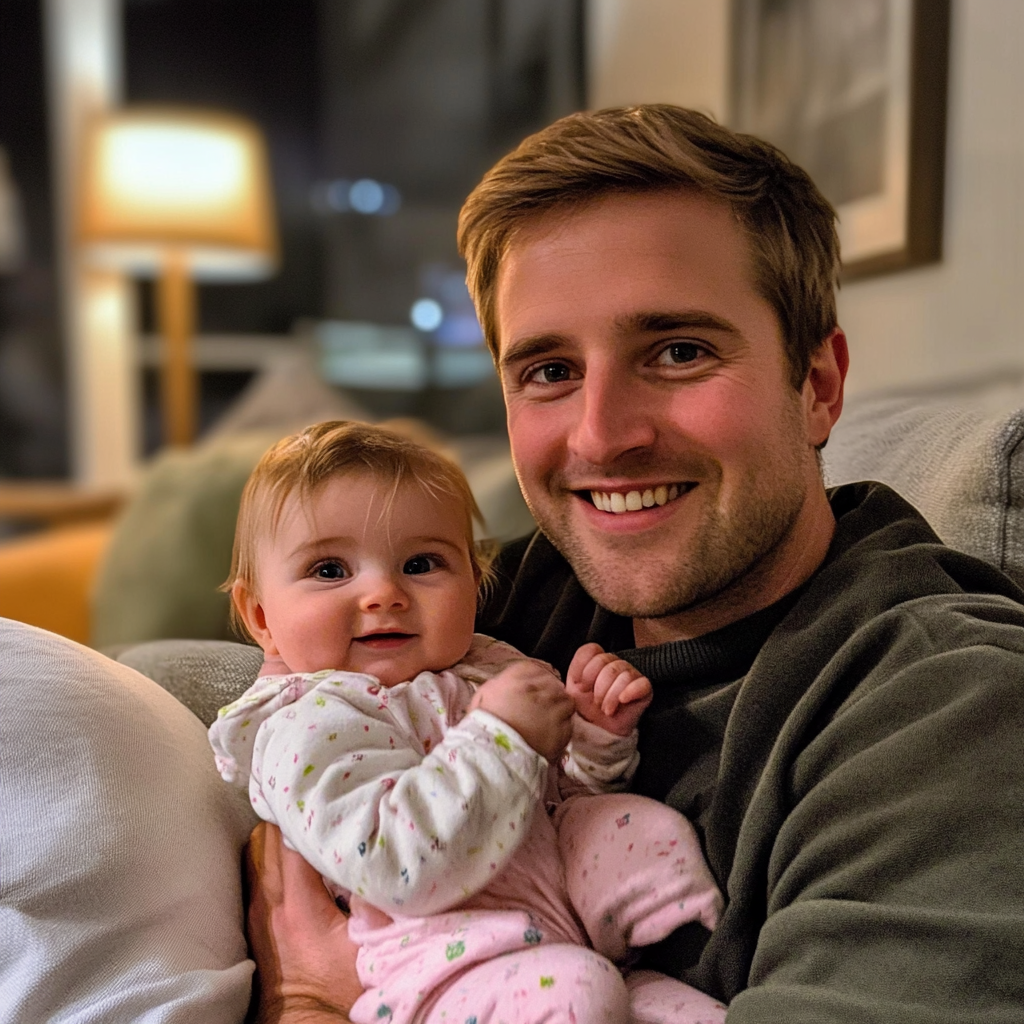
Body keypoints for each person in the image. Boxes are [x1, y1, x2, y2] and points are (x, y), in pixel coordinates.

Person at [246, 105, 1024, 1024]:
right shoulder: (512, 597)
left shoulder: (945, 711)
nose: (602, 436)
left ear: (816, 387)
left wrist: (316, 1002)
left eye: (679, 351)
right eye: (548, 371)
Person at [210, 419, 729, 1024]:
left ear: (475, 583)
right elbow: (394, 863)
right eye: (330, 570)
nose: (384, 592)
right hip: (440, 980)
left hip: (574, 938)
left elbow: (547, 801)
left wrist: (592, 739)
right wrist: (500, 737)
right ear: (262, 617)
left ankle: (667, 923)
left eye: (422, 563)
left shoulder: (486, 670)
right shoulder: (305, 724)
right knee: (578, 992)